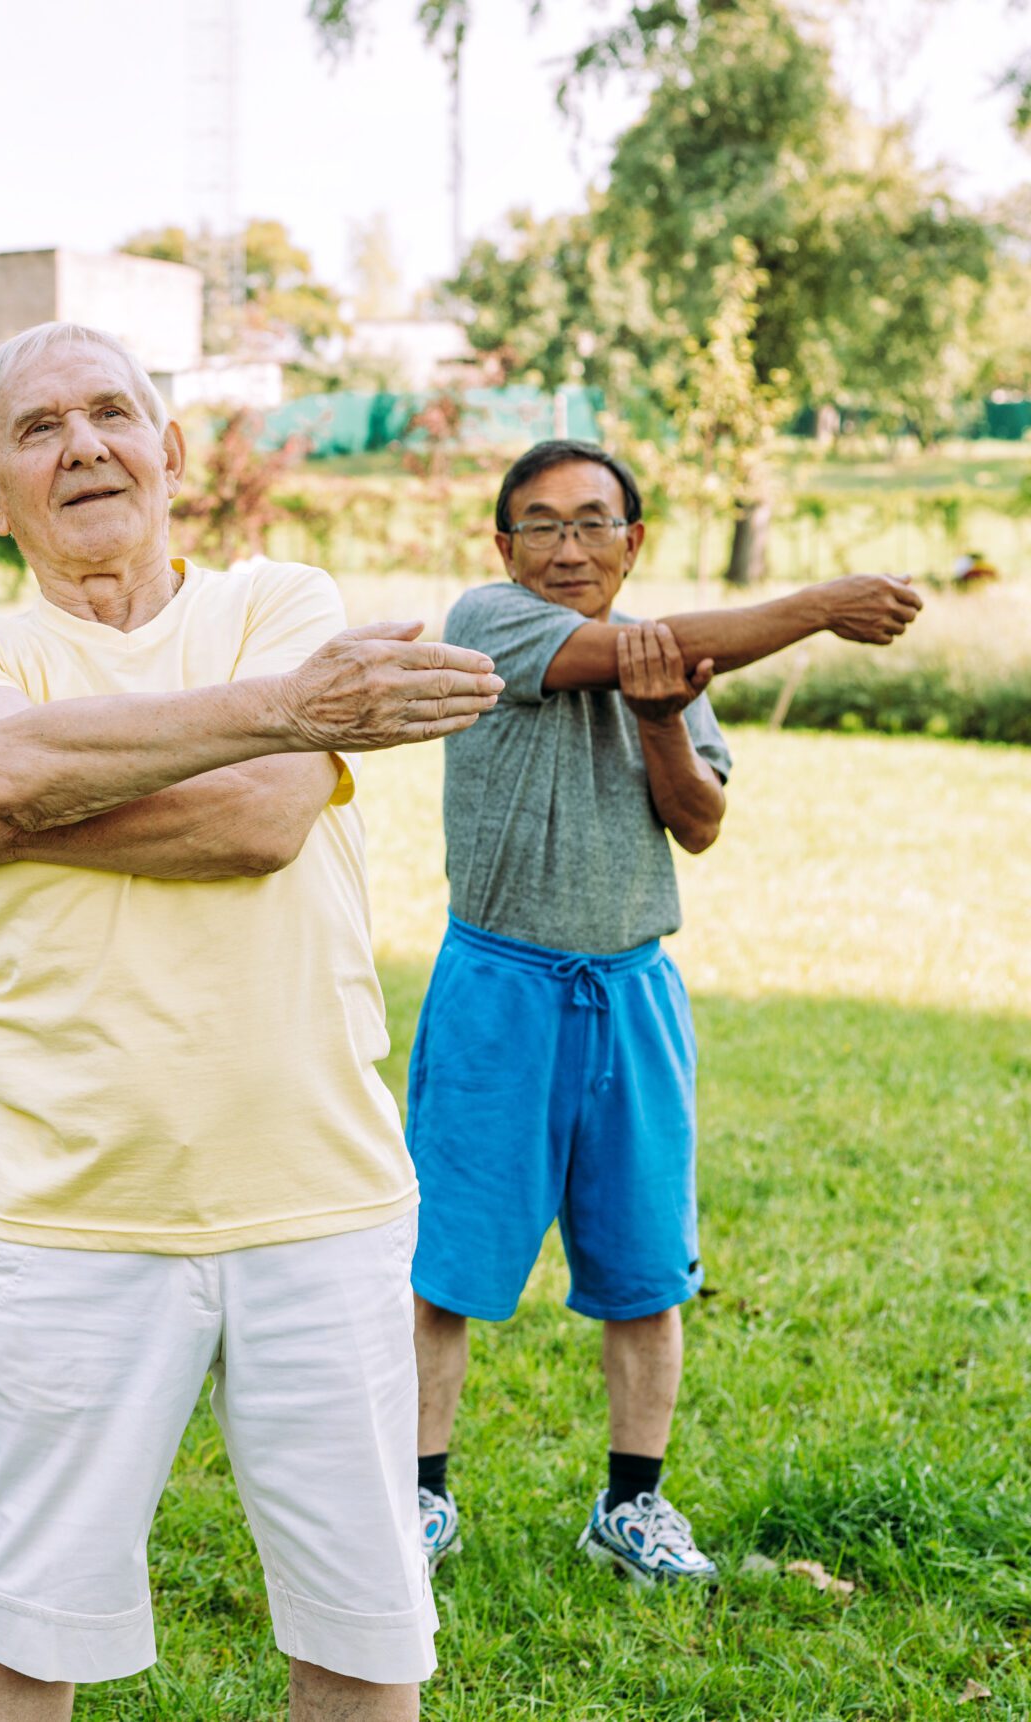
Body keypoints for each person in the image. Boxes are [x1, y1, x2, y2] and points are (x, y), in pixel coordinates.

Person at [0, 321, 503, 1722]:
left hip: (321, 1202)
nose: (84, 445)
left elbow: (267, 813)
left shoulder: (277, 600)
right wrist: (288, 713)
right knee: (26, 1638)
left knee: (363, 1644)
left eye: (113, 412)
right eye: (38, 428)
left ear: (169, 451)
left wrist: (17, 823)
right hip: (73, 1216)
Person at [409, 439, 923, 1585]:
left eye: (594, 523)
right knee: (443, 1262)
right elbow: (646, 646)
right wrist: (823, 604)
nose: (567, 547)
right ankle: (418, 1497)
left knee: (646, 1270)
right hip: (497, 987)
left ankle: (630, 1507)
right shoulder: (487, 621)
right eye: (540, 524)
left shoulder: (669, 673)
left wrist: (657, 719)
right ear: (503, 547)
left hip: (632, 993)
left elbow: (697, 822)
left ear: (633, 543)